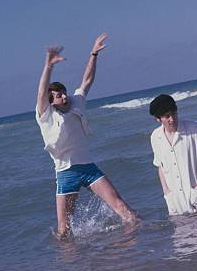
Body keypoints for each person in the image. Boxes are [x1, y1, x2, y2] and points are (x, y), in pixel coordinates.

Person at [35, 34, 138, 238]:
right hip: (65, 173)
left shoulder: (76, 102)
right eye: (58, 95)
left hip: (89, 168)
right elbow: (40, 94)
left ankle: (140, 250)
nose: (64, 96)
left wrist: (93, 53)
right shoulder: (45, 115)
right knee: (64, 231)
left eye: (64, 92)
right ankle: (72, 266)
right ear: (51, 101)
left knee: (124, 210)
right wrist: (48, 66)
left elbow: (87, 80)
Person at [149, 94, 197, 215]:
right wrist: (166, 192)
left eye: (173, 114)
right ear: (158, 119)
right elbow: (160, 166)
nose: (172, 119)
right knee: (180, 233)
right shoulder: (155, 137)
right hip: (175, 202)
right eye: (167, 116)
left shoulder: (194, 129)